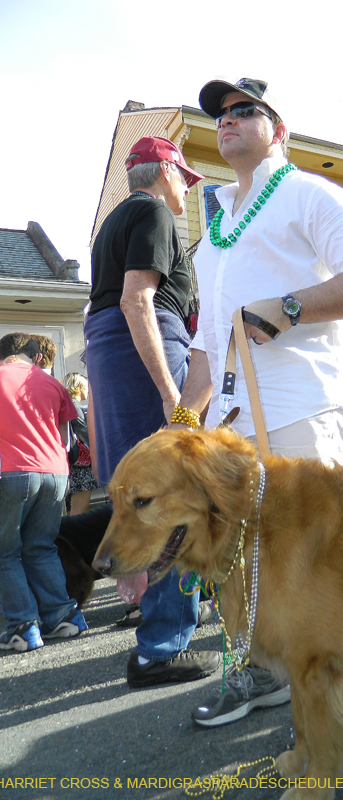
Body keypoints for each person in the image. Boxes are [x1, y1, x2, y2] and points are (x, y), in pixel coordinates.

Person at [173, 77, 343, 727]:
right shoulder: (214, 225)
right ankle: (263, 674)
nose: (228, 120)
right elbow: (208, 341)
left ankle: (335, 699)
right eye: (221, 114)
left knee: (309, 553)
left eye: (246, 110)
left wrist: (290, 306)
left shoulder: (309, 194)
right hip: (230, 419)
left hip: (302, 404)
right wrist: (183, 419)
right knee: (242, 557)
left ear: (279, 130)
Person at [85, 136, 219, 688]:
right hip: (147, 351)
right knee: (173, 492)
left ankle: (160, 611)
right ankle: (161, 647)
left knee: (140, 490)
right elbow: (136, 299)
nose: (187, 189)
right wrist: (169, 392)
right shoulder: (155, 213)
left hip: (112, 352)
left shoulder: (110, 226)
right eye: (184, 177)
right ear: (165, 172)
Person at [0, 333, 87, 651]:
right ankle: (63, 616)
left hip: (11, 471)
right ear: (35, 356)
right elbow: (65, 441)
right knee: (41, 547)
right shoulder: (53, 384)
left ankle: (23, 627)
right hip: (55, 474)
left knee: (5, 552)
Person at [63, 372, 98, 516]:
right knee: (80, 512)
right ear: (78, 387)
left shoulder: (67, 403)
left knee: (72, 512)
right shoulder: (74, 404)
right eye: (85, 386)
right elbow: (85, 432)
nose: (88, 390)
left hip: (73, 464)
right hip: (80, 466)